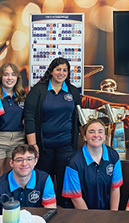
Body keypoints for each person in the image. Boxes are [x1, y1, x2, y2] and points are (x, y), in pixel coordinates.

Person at [24, 57, 81, 207]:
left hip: (66, 146)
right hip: (43, 147)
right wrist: (33, 145)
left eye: (64, 70)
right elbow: (29, 117)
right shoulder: (38, 91)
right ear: (51, 71)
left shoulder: (73, 92)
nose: (61, 73)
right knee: (44, 180)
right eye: (58, 69)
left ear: (68, 73)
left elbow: (79, 118)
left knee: (65, 181)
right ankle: (43, 210)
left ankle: (65, 211)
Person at [62, 118, 123, 210]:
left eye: (100, 131)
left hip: (106, 214)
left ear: (105, 135)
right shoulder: (74, 162)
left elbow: (115, 188)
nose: (96, 135)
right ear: (85, 136)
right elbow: (75, 198)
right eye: (91, 132)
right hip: (81, 214)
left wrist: (112, 215)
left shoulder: (113, 156)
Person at [0, 144, 56, 213]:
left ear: (35, 161)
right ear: (11, 163)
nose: (24, 164)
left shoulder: (45, 180)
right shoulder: (1, 184)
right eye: (19, 160)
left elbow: (50, 211)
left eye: (29, 159)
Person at [0, 63, 26, 176]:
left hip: (18, 139)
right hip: (1, 138)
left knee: (8, 174)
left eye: (13, 74)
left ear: (17, 78)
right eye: (6, 74)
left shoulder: (22, 96)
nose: (9, 78)